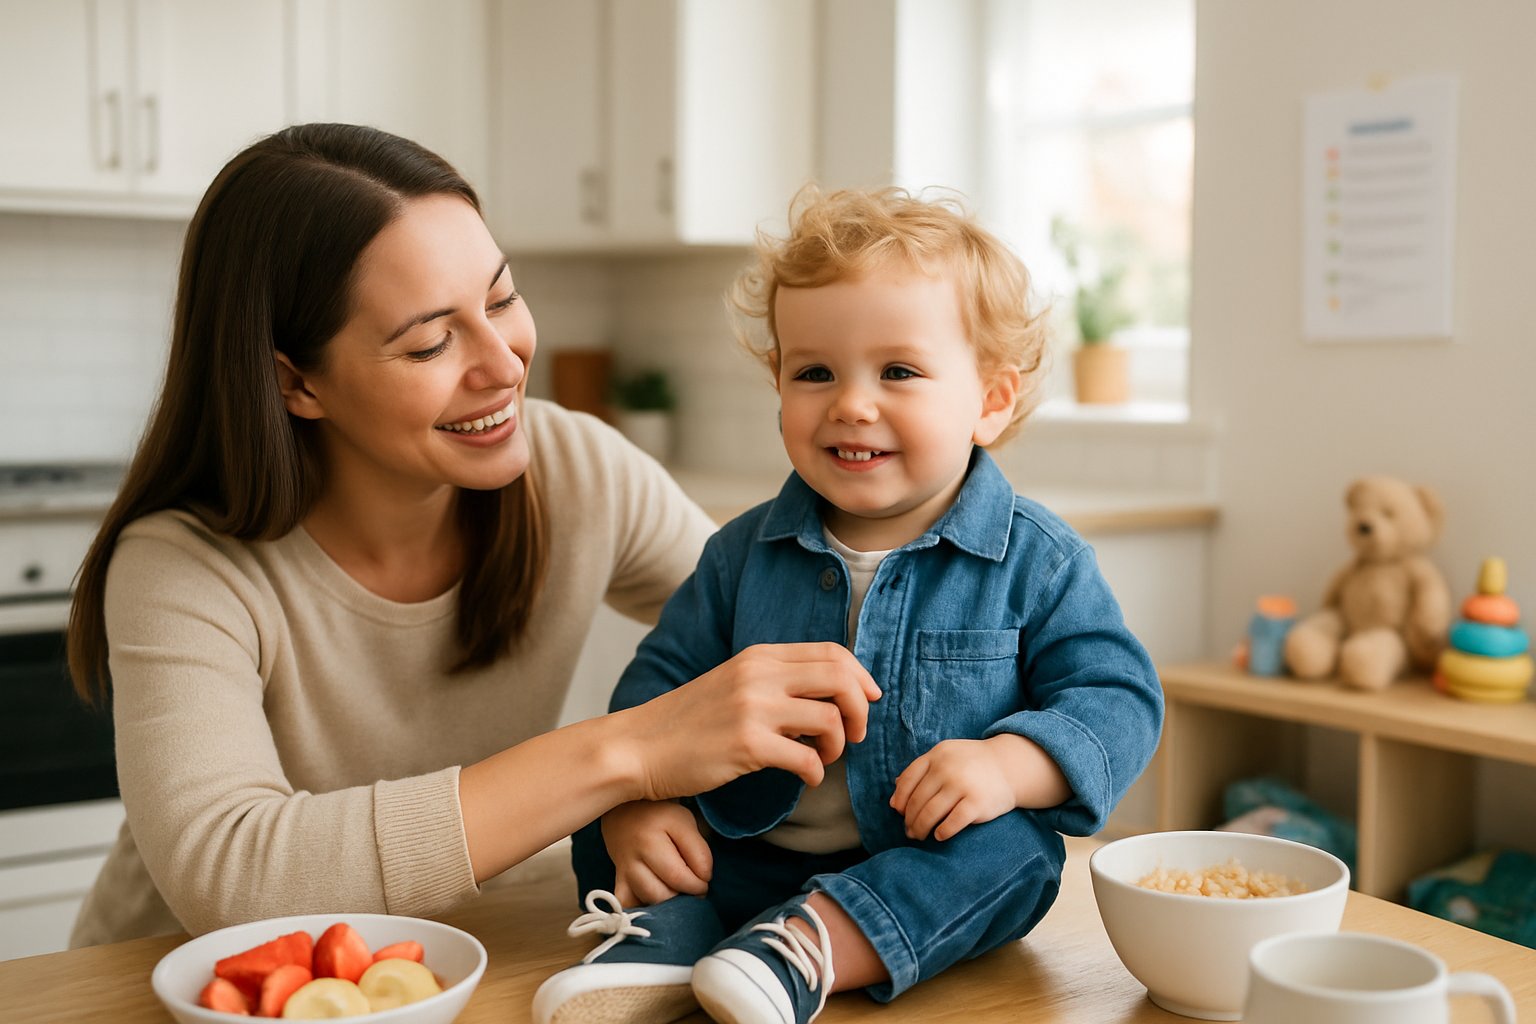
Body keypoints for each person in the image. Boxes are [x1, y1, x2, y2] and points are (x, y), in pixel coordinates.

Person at [63, 124, 880, 948]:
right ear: (296, 382)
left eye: (501, 299)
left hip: (452, 954)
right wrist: (627, 758)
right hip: (176, 982)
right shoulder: (182, 565)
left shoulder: (578, 469)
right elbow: (233, 877)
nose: (504, 362)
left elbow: (805, 652)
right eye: (429, 342)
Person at [533, 187, 1165, 1024]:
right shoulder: (739, 553)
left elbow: (1119, 698)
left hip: (917, 863)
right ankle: (664, 944)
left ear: (991, 400)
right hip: (742, 845)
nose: (850, 403)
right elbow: (659, 686)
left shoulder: (1037, 561)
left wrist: (1008, 765)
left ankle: (804, 950)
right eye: (814, 372)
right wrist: (642, 803)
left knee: (1021, 854)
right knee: (603, 811)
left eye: (897, 371)